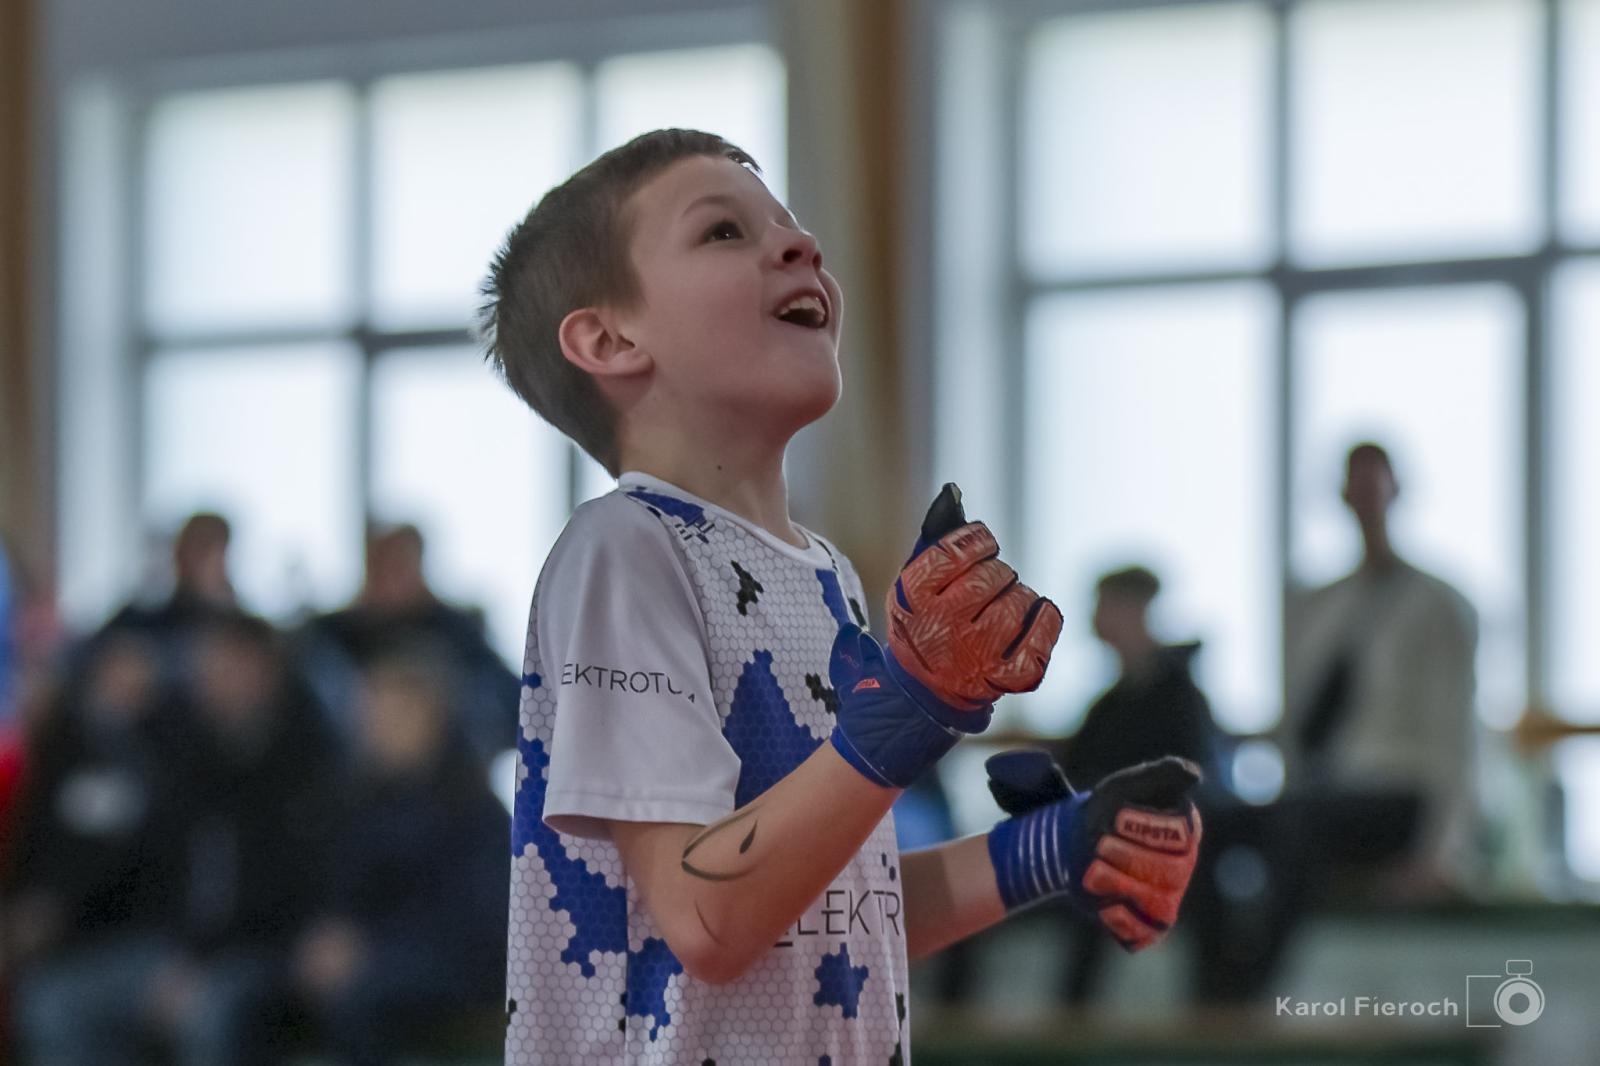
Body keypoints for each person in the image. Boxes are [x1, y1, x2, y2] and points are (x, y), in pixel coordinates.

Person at [479, 128, 1204, 1064]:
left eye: (790, 224)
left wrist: (1045, 853)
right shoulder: (622, 548)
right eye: (725, 234)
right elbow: (709, 918)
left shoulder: (823, 574)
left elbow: (824, 923)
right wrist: (904, 717)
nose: (801, 245)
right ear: (610, 338)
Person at [1281, 442, 1479, 896]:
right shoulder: (1319, 609)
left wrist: (1443, 848)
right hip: (1328, 795)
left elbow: (1455, 731)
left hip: (1399, 795)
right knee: (1243, 828)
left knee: (1287, 828)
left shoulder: (1438, 606)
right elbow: (1303, 725)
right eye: (1357, 485)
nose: (1365, 497)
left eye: (1374, 484)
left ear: (1396, 491)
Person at [293, 653, 509, 1066]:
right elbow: (335, 891)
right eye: (370, 715)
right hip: (368, 957)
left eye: (392, 715)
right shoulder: (354, 798)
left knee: (362, 1000)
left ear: (431, 715)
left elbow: (476, 925)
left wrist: (369, 950)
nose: (376, 728)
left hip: (455, 968)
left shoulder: (472, 806)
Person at [1049, 565, 1225, 1005]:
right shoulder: (1110, 703)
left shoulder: (1180, 699)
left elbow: (1196, 782)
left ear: (1135, 612)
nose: (1095, 618)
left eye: (1104, 606)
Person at [295, 523, 518, 764]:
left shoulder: (458, 634)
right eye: (382, 565)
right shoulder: (332, 637)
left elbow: (514, 708)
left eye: (400, 566)